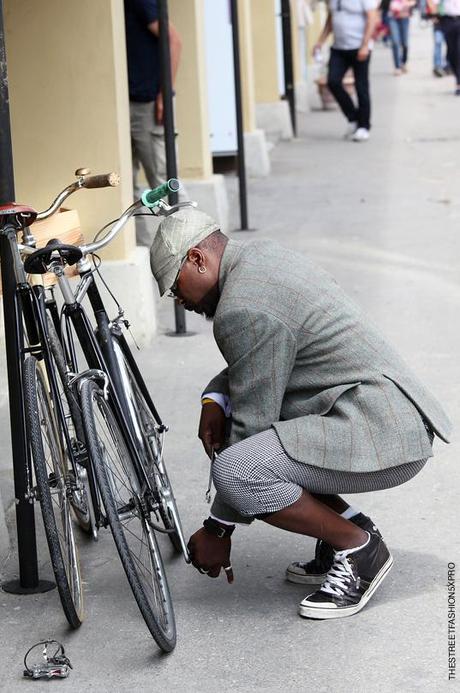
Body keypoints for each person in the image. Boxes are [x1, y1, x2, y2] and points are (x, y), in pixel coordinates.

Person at [149, 207, 451, 620]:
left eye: (174, 287)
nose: (178, 300)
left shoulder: (243, 307)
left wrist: (219, 528)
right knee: (270, 444)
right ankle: (349, 524)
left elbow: (251, 426)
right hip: (382, 413)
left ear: (197, 259)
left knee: (241, 470)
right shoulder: (261, 259)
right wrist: (214, 400)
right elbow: (266, 354)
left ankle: (358, 548)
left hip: (380, 432)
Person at [124, 0, 182, 244]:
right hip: (126, 103)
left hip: (147, 105)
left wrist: (164, 94)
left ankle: (195, 254)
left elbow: (174, 41)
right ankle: (146, 255)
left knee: (165, 184)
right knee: (126, 188)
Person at [314, 0, 380, 142]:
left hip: (359, 47)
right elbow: (331, 19)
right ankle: (353, 118)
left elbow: (372, 17)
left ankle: (364, 126)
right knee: (333, 81)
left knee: (361, 87)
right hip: (339, 48)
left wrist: (365, 45)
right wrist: (320, 41)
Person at [436, 0, 460, 93]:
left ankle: (459, 83)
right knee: (452, 53)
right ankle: (457, 76)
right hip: (447, 21)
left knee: (459, 52)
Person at [387, 0, 416, 75]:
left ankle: (403, 62)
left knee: (404, 43)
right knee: (395, 42)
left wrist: (406, 4)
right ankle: (397, 66)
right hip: (392, 18)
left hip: (404, 18)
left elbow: (413, 2)